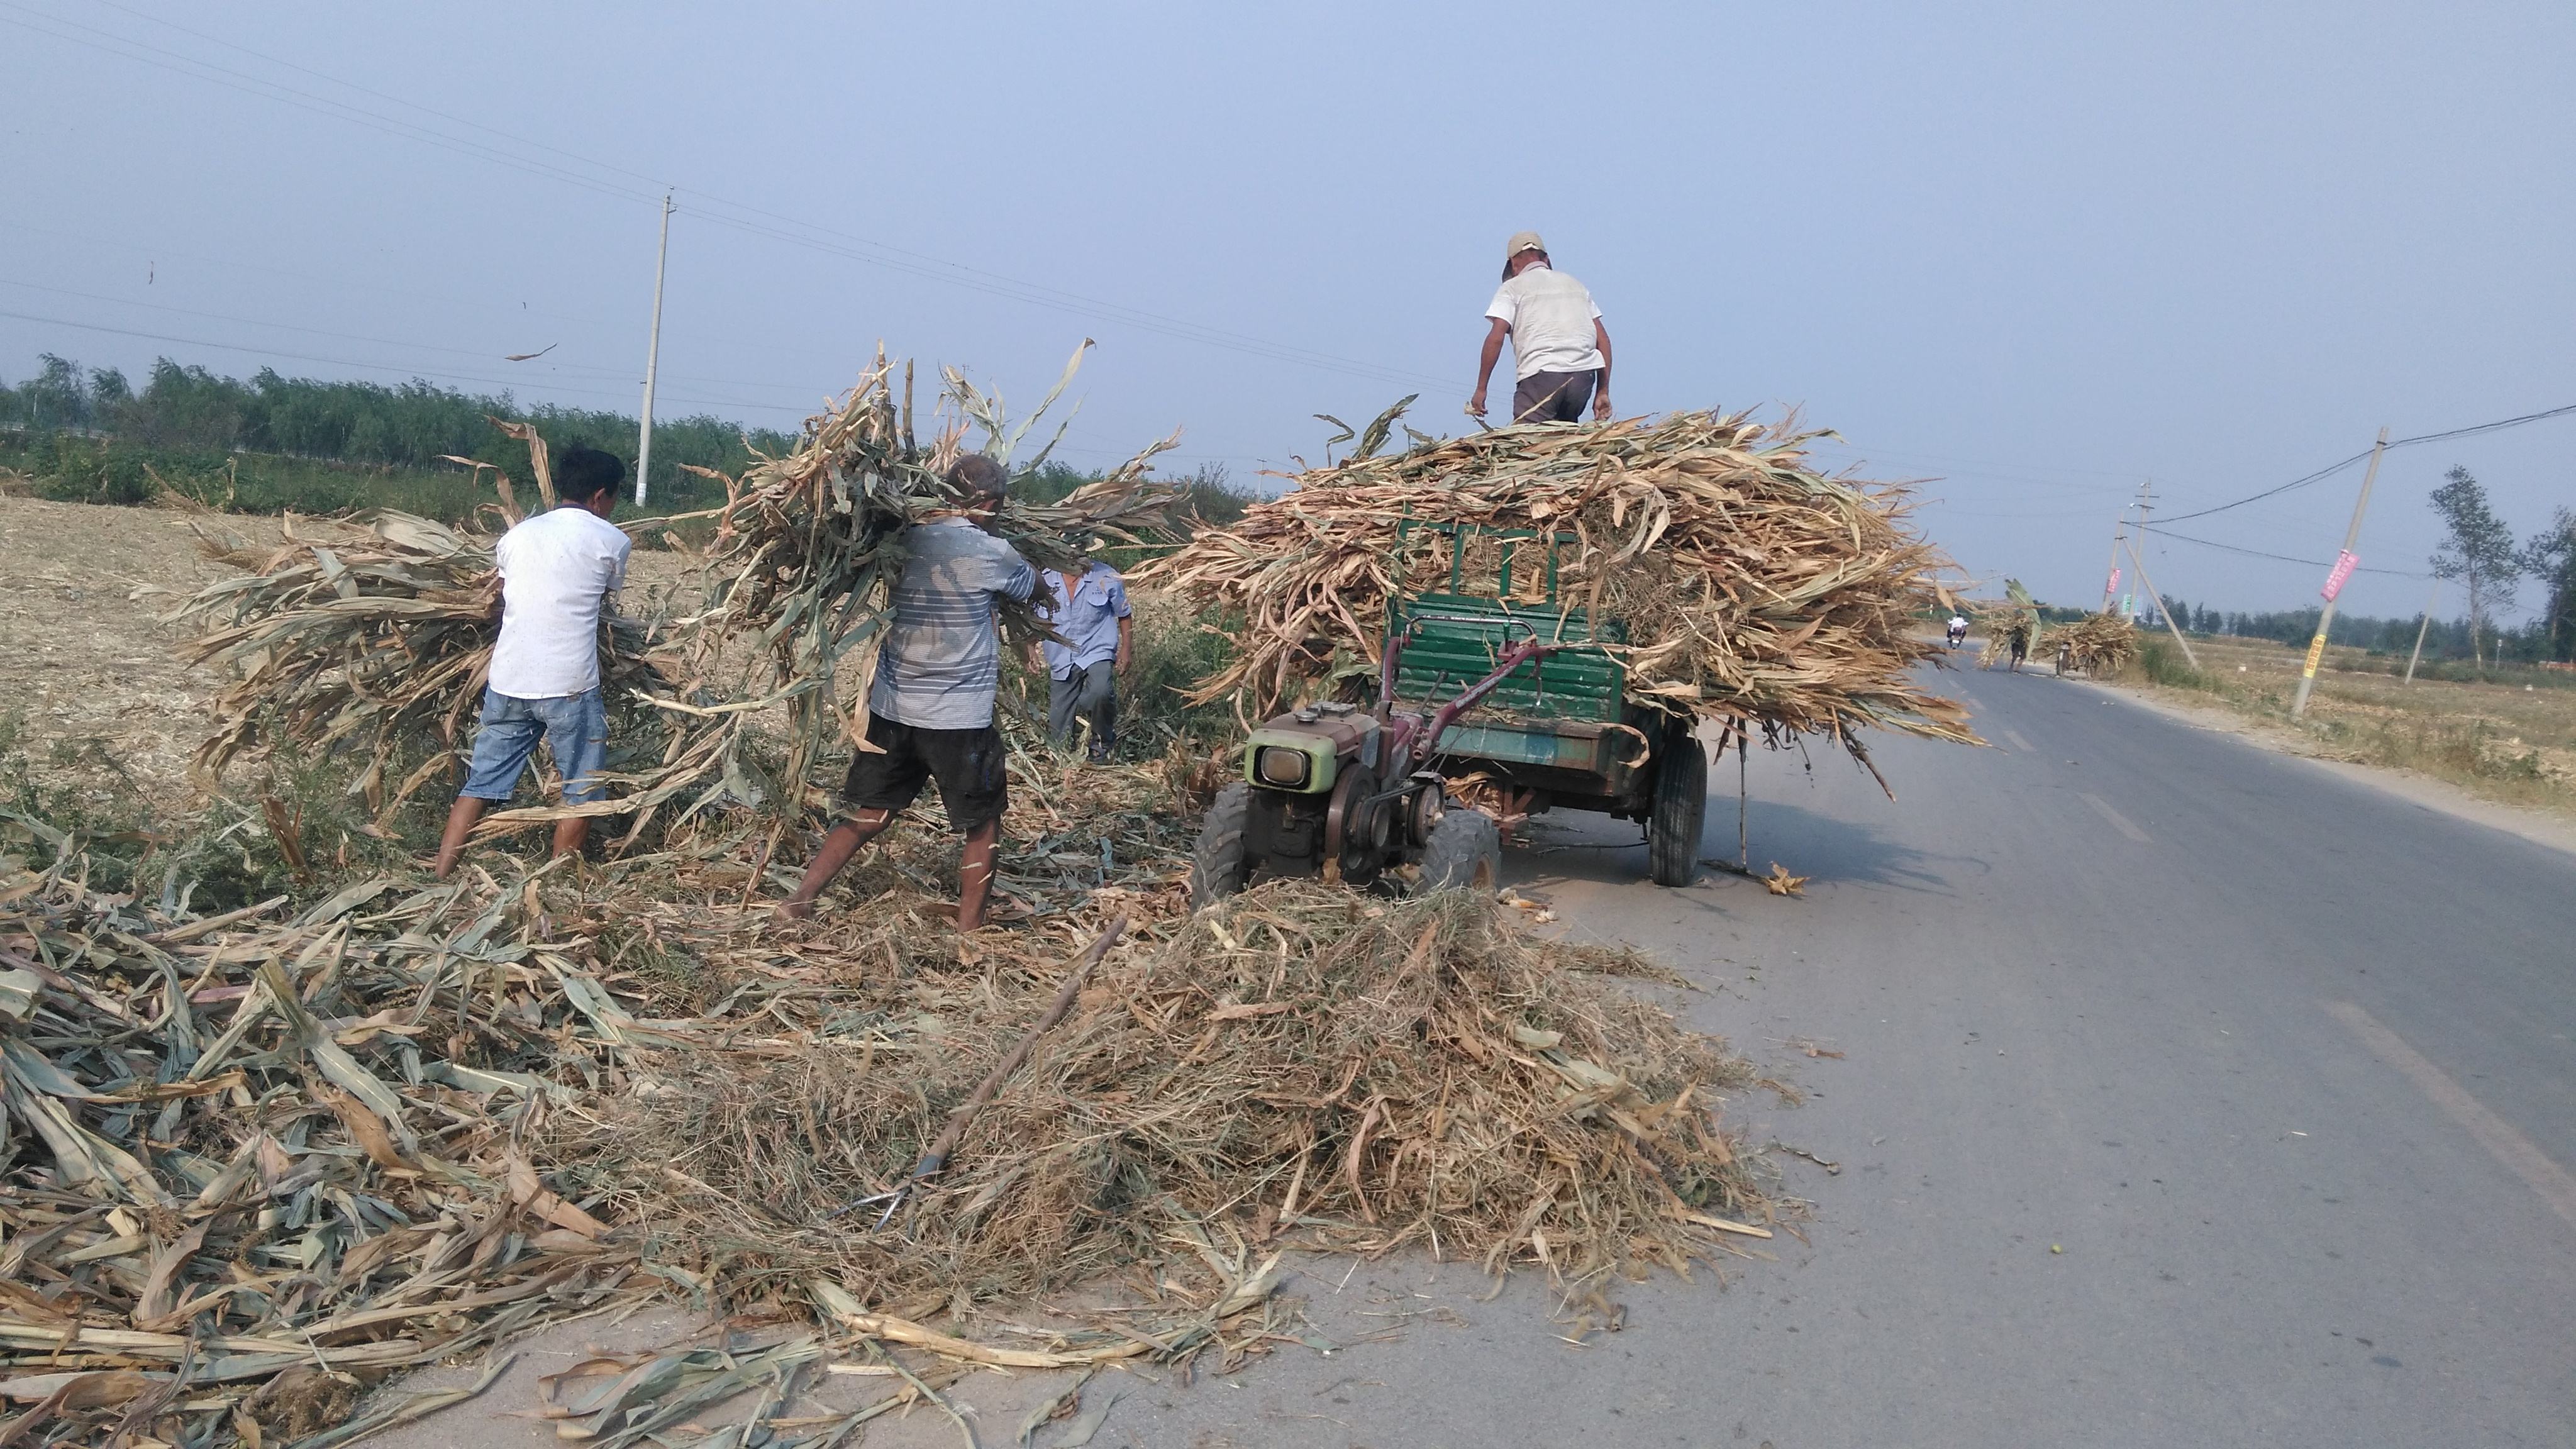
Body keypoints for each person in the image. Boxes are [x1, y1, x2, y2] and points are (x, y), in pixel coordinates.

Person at [775, 455, 1037, 930]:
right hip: (960, 718)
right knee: (981, 824)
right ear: (992, 504)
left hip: (893, 709)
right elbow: (1031, 589)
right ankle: (969, 932)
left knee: (870, 811)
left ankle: (800, 899)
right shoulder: (991, 553)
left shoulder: (904, 539)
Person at [435, 445, 633, 879]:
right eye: (615, 498)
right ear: (601, 496)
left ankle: (440, 875)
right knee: (582, 790)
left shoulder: (516, 537)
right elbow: (603, 599)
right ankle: (559, 886)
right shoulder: (613, 541)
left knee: (481, 782)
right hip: (570, 686)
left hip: (507, 681)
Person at [1468, 231, 1614, 425]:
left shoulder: (1512, 287)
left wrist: (1481, 389)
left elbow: (1496, 337)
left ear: (1513, 263)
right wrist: (1602, 391)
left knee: (1525, 441)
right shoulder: (1575, 285)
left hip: (1541, 376)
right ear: (1546, 259)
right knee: (1563, 439)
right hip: (1583, 378)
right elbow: (1602, 339)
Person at [1035, 553, 1132, 762]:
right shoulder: (1045, 579)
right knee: (1058, 734)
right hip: (1061, 656)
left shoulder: (1105, 576)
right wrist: (1029, 649)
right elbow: (1034, 618)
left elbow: (1124, 614)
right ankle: (1065, 762)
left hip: (1097, 649)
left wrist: (1126, 650)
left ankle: (1101, 747)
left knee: (1100, 692)